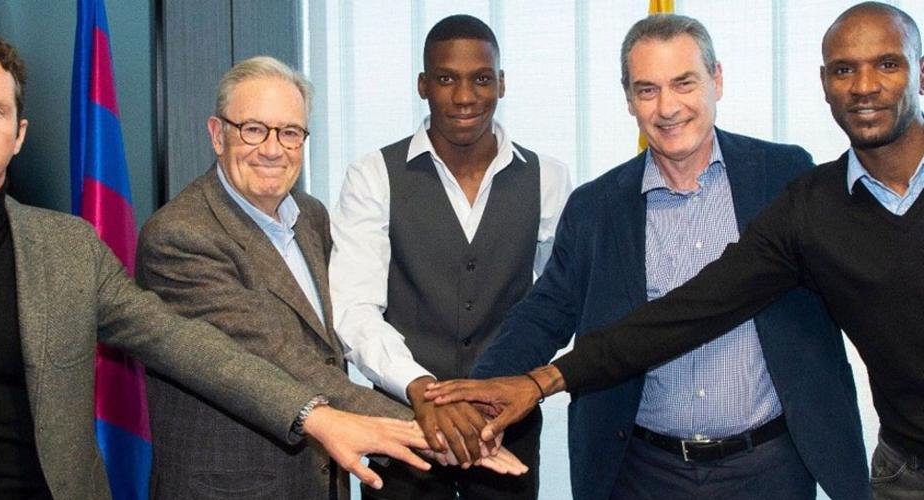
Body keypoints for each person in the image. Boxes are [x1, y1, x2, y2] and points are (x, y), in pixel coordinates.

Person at [426, 3, 924, 498]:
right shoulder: (597, 207)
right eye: (648, 90)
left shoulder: (784, 177)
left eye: (684, 83)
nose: (667, 108)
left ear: (716, 80)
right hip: (642, 470)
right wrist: (477, 397)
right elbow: (545, 314)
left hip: (771, 464)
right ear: (629, 100)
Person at [0, 24, 433, 499]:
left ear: (18, 134)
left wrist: (317, 417)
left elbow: (189, 347)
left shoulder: (68, 249)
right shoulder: (181, 233)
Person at [136, 55, 525, 499]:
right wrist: (430, 429)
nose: (272, 149)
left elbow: (336, 335)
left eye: (290, 133)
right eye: (253, 129)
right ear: (216, 134)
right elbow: (277, 359)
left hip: (320, 480)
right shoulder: (181, 236)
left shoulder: (310, 216)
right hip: (234, 487)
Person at [329, 14, 571, 500]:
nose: (464, 97)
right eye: (446, 79)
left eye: (481, 79)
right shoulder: (372, 175)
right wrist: (421, 388)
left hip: (507, 428)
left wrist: (511, 386)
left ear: (501, 84)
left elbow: (562, 303)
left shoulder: (549, 177)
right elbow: (354, 309)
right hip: (403, 428)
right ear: (423, 85)